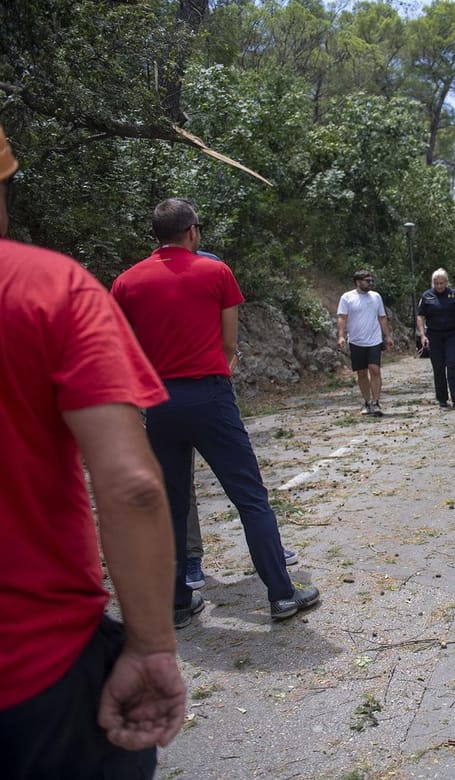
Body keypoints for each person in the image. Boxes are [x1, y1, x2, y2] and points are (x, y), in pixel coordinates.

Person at [0, 124, 187, 776]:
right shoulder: (49, 289)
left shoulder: (121, 281)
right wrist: (150, 647)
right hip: (35, 674)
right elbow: (132, 487)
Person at [112, 198, 320, 626]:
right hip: (209, 395)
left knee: (169, 506)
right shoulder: (215, 272)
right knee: (250, 497)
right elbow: (229, 345)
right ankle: (281, 594)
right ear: (192, 231)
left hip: (159, 403)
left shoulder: (126, 283)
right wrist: (215, 375)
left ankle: (177, 602)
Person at [184, 249, 298, 590]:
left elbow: (230, 343)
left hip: (183, 396)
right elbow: (229, 345)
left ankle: (268, 552)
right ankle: (193, 560)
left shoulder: (214, 292)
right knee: (241, 489)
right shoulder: (204, 278)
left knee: (184, 490)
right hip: (199, 393)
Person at [337, 269, 394, 416]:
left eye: (371, 281)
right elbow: (342, 317)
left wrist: (387, 336)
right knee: (361, 372)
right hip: (356, 340)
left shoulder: (376, 297)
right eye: (367, 281)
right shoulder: (347, 297)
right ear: (358, 282)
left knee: (375, 369)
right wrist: (341, 336)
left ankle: (376, 402)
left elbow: (382, 317)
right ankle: (367, 402)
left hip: (374, 340)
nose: (370, 283)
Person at [415, 267, 455, 409]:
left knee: (452, 365)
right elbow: (420, 316)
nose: (439, 286)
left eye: (442, 283)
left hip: (451, 334)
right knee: (438, 367)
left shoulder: (454, 295)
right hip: (434, 335)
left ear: (446, 282)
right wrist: (422, 335)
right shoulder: (427, 296)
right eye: (436, 283)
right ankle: (442, 399)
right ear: (433, 283)